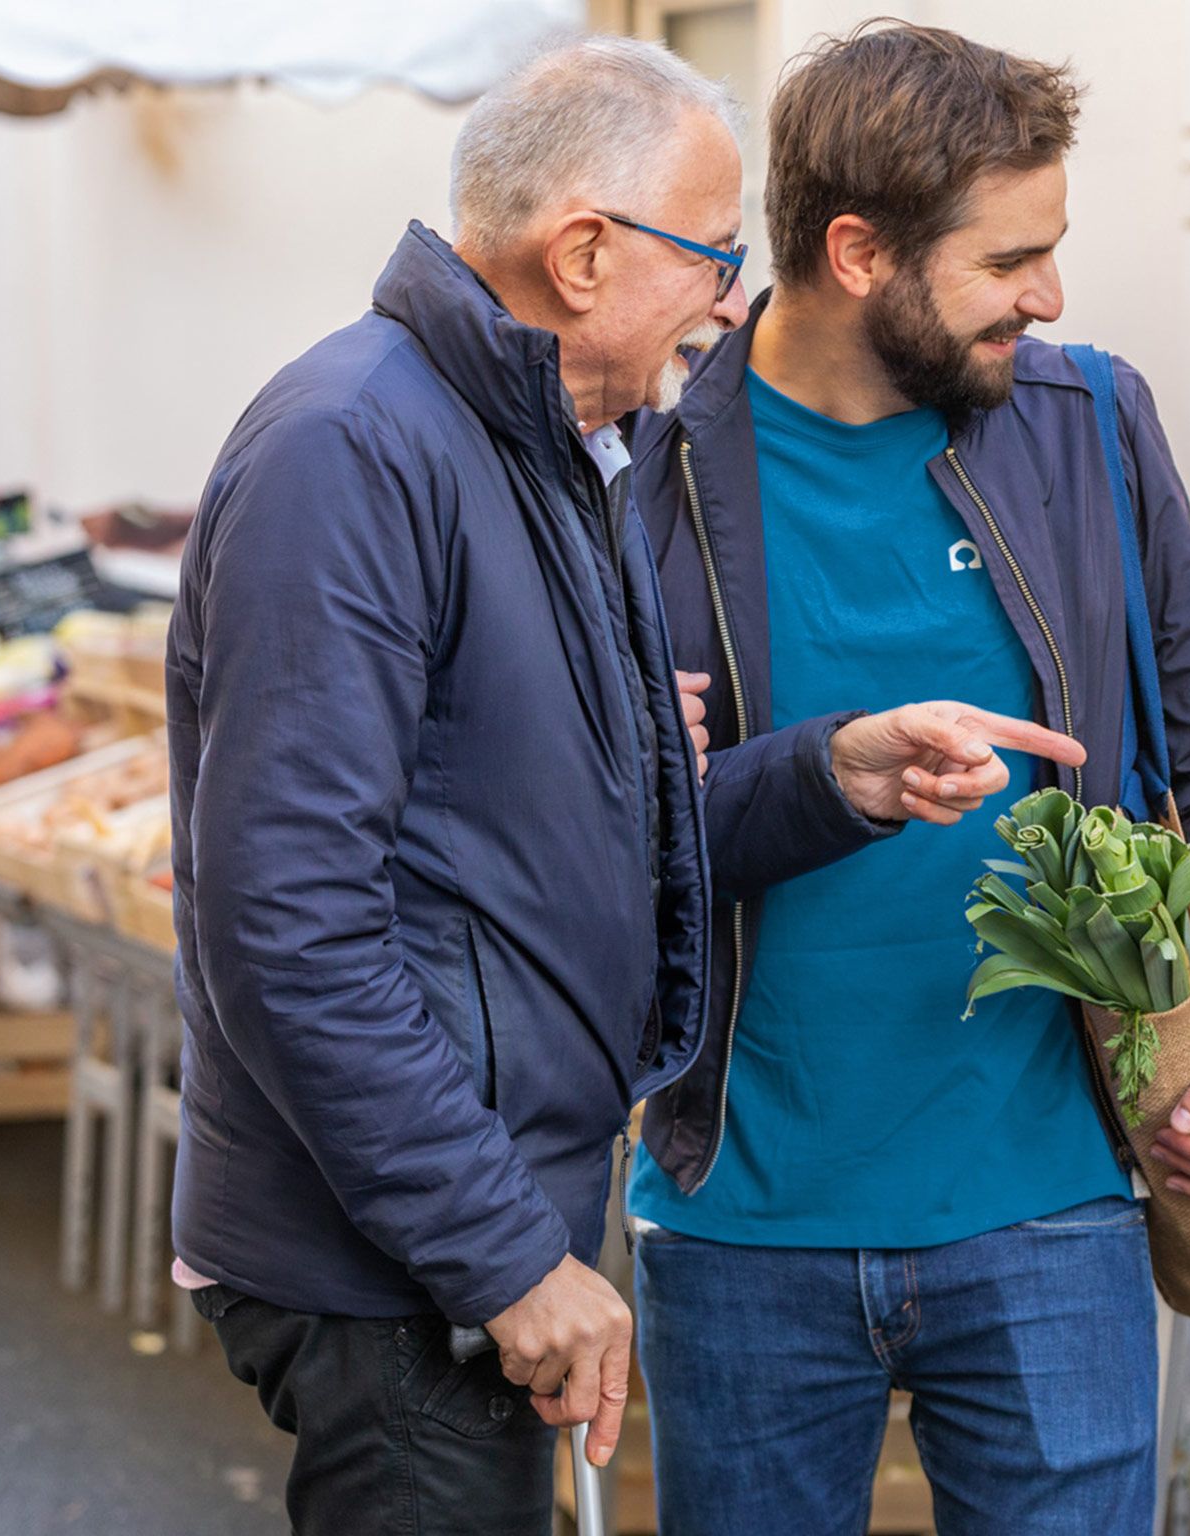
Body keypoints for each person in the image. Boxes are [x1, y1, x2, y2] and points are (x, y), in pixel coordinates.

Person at [626, 22, 1190, 1535]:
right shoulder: (650, 486)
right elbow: (620, 846)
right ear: (859, 251)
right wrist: (829, 778)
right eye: (1010, 260)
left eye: (1053, 249)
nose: (1050, 296)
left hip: (1051, 1204)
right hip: (744, 1218)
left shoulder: (1091, 428)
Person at [164, 39, 744, 1534]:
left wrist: (818, 780)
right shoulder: (355, 446)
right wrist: (500, 1255)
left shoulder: (550, 441)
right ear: (586, 251)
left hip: (452, 1233)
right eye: (715, 252)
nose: (730, 297)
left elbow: (555, 830)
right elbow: (288, 923)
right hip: (402, 1270)